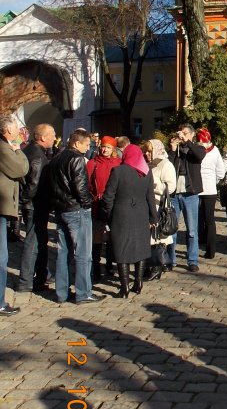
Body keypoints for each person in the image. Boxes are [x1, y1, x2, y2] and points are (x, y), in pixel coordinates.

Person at [50, 129, 105, 305]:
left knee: (63, 252)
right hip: (76, 209)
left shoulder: (57, 158)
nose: (88, 148)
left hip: (61, 209)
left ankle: (61, 292)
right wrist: (88, 202)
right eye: (86, 144)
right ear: (76, 143)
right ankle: (83, 292)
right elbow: (80, 187)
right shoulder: (76, 159)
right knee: (83, 253)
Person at [102, 144, 157, 297]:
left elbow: (108, 196)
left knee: (122, 249)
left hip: (121, 214)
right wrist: (153, 217)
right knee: (140, 248)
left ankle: (124, 287)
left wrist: (109, 214)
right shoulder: (146, 172)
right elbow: (150, 197)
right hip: (141, 214)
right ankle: (138, 282)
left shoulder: (118, 171)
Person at [17, 123, 56, 293]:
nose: (54, 139)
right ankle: (25, 282)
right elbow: (33, 186)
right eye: (52, 135)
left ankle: (42, 276)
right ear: (43, 137)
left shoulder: (29, 150)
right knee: (33, 242)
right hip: (36, 205)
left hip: (33, 204)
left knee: (39, 240)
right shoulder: (38, 156)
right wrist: (27, 201)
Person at [0, 115, 29, 315]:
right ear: (9, 130)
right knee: (1, 258)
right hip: (1, 207)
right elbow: (21, 169)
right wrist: (18, 150)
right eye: (17, 128)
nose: (19, 131)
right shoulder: (4, 148)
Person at [168, 124, 206, 272]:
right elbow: (169, 167)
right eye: (181, 132)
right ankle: (170, 260)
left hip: (190, 194)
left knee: (192, 230)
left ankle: (192, 260)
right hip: (174, 194)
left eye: (185, 133)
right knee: (172, 229)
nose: (181, 135)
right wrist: (172, 150)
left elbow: (199, 156)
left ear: (192, 134)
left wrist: (187, 142)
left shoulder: (197, 148)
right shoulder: (176, 149)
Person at [141, 139, 177, 281]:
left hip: (159, 205)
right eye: (146, 151)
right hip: (147, 204)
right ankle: (148, 264)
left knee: (159, 236)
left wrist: (153, 186)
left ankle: (157, 265)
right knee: (148, 236)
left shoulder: (166, 165)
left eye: (149, 151)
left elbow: (171, 186)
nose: (147, 154)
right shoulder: (147, 164)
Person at [86, 135, 121, 280]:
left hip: (114, 205)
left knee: (113, 237)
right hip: (97, 205)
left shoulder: (118, 163)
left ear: (113, 149)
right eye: (103, 147)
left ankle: (109, 264)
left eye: (108, 147)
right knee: (97, 237)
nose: (105, 150)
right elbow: (87, 183)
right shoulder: (93, 163)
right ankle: (95, 267)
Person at [196, 128, 226, 259]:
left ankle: (205, 245)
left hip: (200, 189)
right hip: (208, 189)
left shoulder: (198, 150)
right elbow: (221, 172)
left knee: (201, 219)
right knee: (208, 220)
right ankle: (209, 248)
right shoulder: (215, 151)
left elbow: (221, 172)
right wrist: (214, 181)